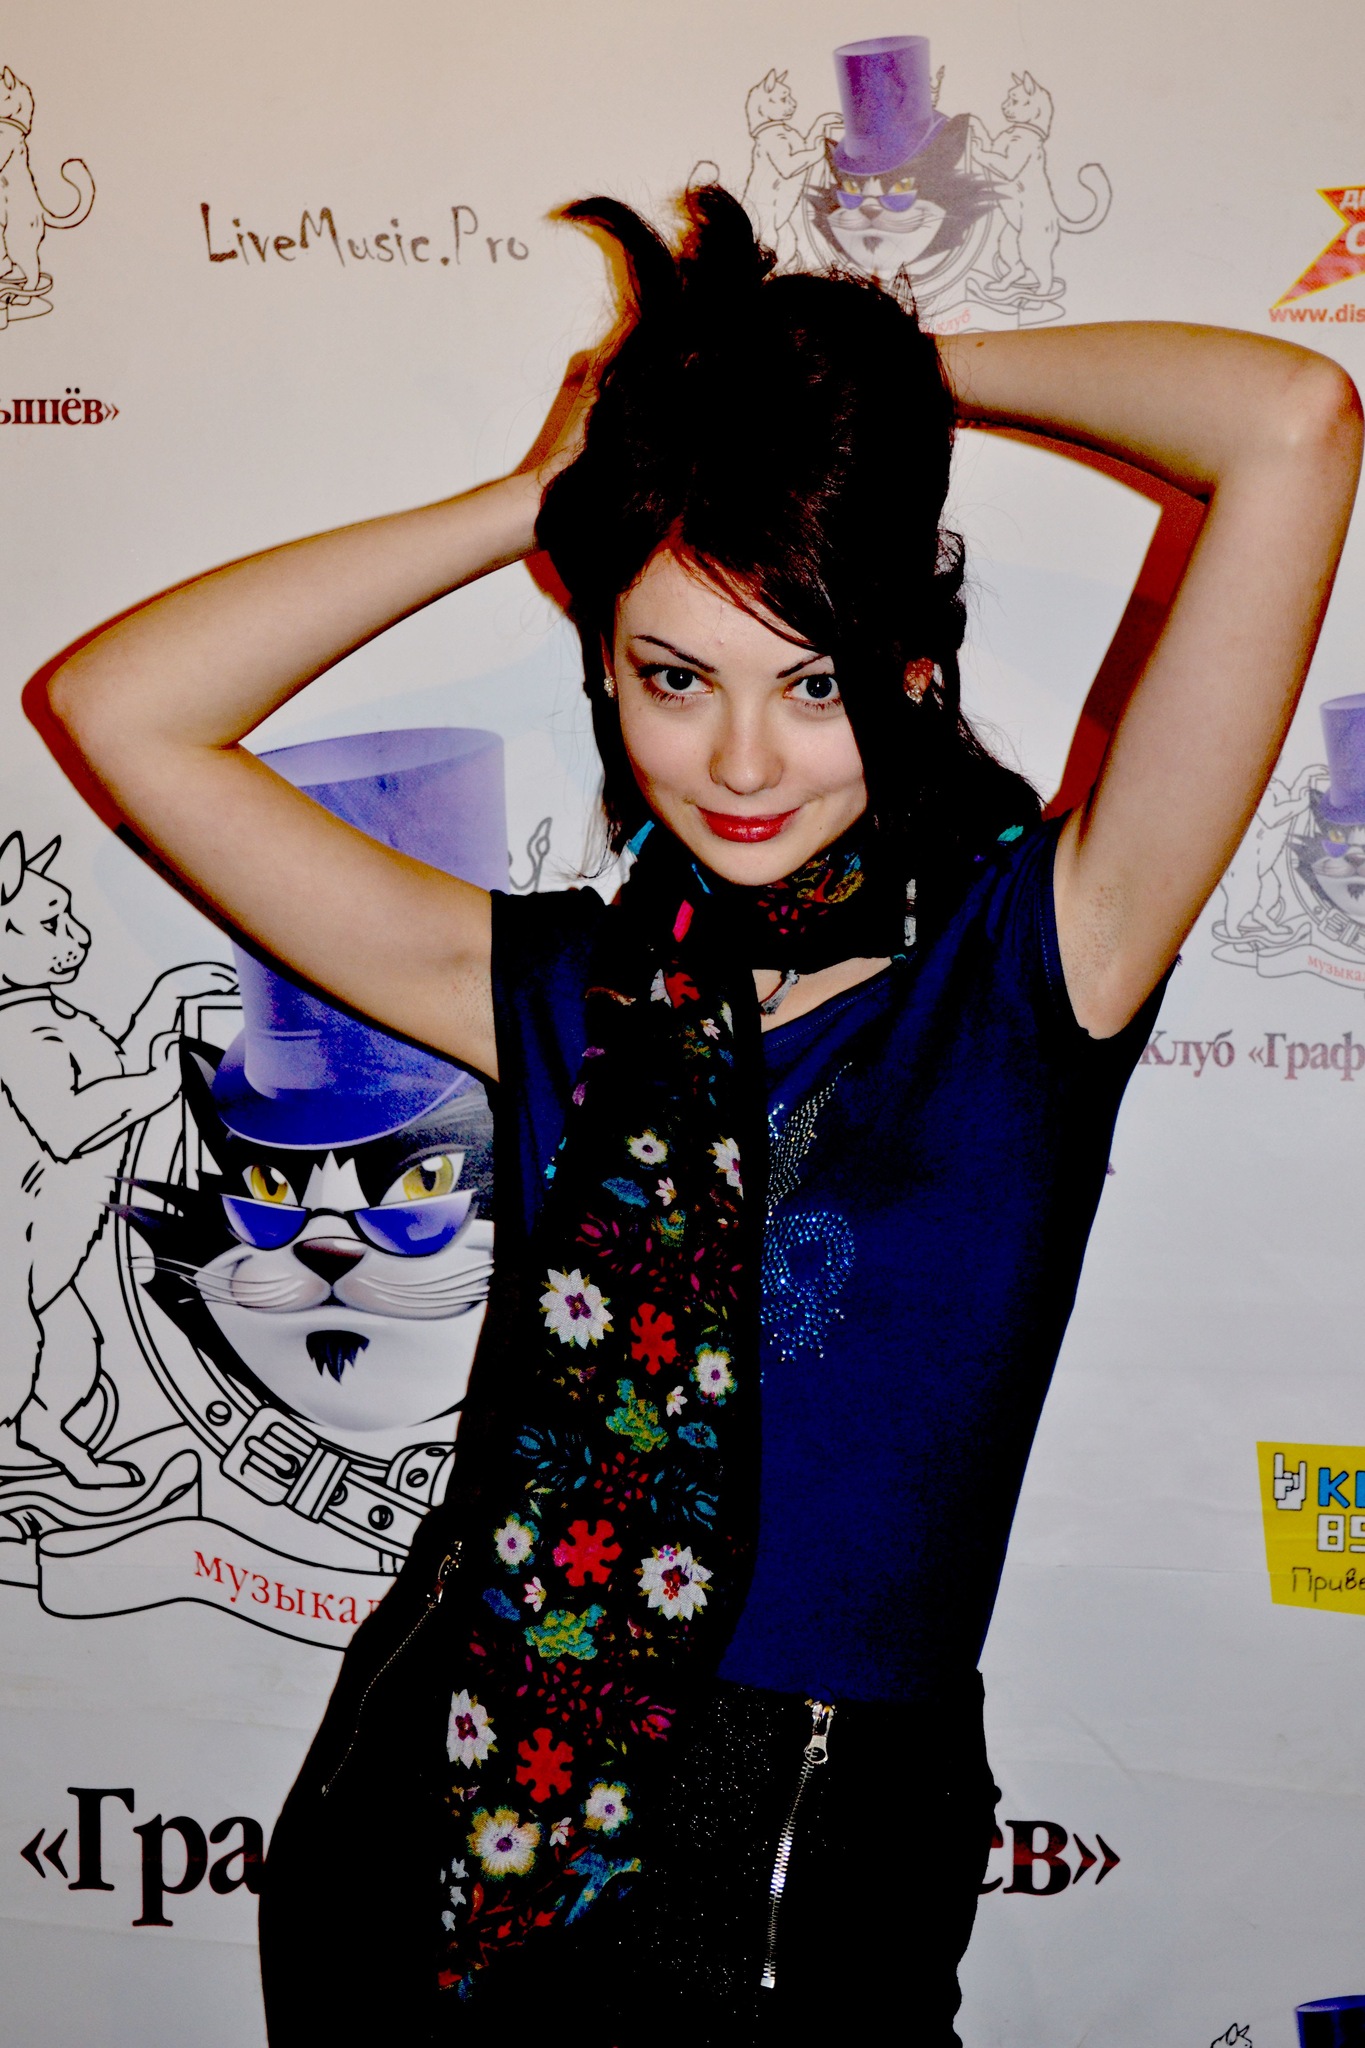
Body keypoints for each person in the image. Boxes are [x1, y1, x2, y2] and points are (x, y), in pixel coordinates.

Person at [33, 188, 1361, 2046]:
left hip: (803, 1853)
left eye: (810, 680)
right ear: (604, 665)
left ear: (907, 664)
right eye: (675, 676)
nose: (741, 760)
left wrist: (850, 387)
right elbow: (124, 709)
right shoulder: (562, 990)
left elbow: (1293, 422)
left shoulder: (1033, 965)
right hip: (437, 1810)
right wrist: (548, 490)